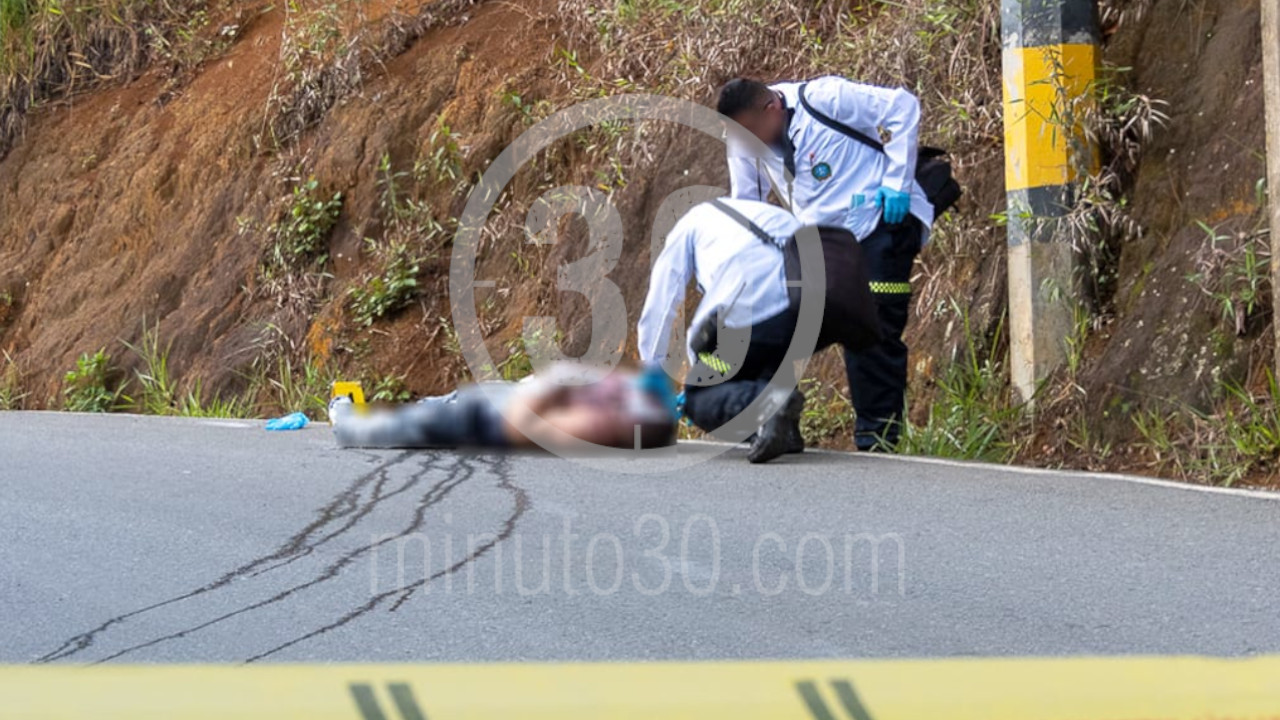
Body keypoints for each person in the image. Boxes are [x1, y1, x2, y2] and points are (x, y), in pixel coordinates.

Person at [716, 75, 933, 452]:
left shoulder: (827, 98)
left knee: (871, 322)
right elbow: (747, 200)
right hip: (820, 237)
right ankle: (776, 420)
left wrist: (897, 182)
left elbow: (902, 107)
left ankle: (877, 438)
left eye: (753, 132)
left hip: (878, 218)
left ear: (773, 108)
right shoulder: (743, 138)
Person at [637, 197, 879, 464]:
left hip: (757, 302)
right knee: (766, 353)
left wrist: (657, 375)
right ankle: (783, 429)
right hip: (818, 306)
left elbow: (661, 307)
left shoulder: (688, 226)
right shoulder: (764, 215)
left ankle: (765, 406)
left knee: (701, 396)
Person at [329, 364, 676, 451]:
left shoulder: (599, 426)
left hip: (473, 419)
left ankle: (340, 409)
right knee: (416, 409)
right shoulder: (621, 402)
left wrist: (557, 379)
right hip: (490, 397)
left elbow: (524, 425)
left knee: (365, 431)